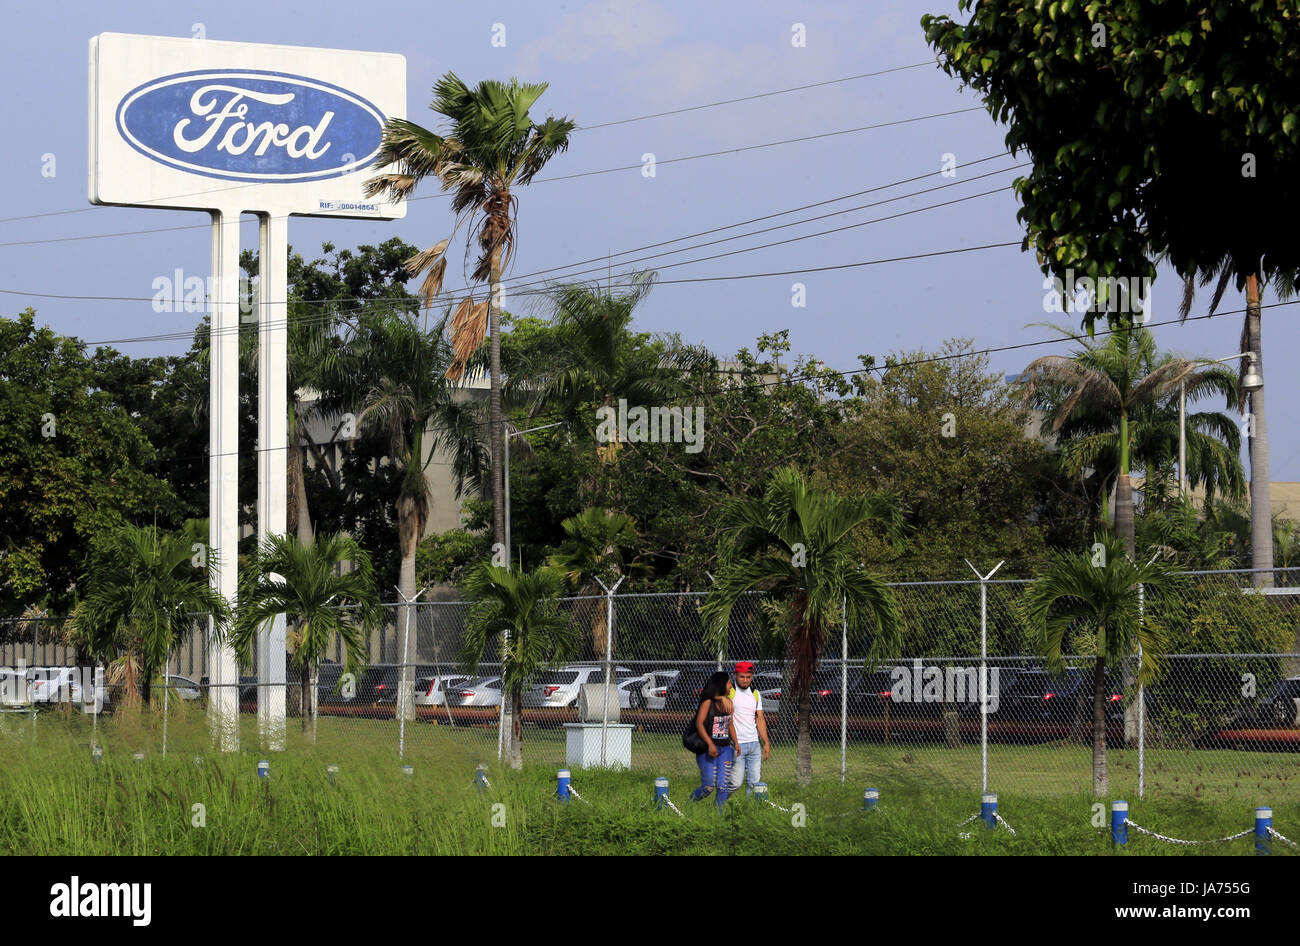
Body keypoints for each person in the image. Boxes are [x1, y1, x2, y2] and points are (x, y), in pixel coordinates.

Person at [690, 670, 739, 807]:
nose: (731, 686)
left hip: (725, 749)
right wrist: (710, 744)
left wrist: (736, 742)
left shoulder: (729, 703)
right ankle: (689, 804)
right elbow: (699, 724)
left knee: (723, 786)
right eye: (729, 683)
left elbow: (730, 724)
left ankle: (719, 816)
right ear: (722, 684)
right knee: (708, 787)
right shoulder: (707, 702)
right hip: (707, 750)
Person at [728, 661, 770, 794]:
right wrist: (734, 742)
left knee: (754, 783)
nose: (745, 680)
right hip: (737, 744)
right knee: (735, 783)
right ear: (735, 675)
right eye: (742, 676)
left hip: (754, 744)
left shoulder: (755, 693)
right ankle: (719, 804)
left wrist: (766, 742)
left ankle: (749, 810)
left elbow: (760, 718)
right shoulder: (730, 693)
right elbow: (727, 720)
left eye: (748, 677)